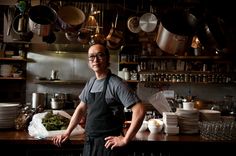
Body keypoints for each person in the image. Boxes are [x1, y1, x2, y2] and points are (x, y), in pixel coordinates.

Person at [52, 43, 145, 156]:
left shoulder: (116, 83)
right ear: (88, 62)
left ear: (107, 58)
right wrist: (67, 132)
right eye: (91, 56)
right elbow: (81, 109)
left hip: (109, 146)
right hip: (90, 144)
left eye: (100, 55)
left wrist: (125, 139)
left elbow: (139, 110)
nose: (95, 59)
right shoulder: (91, 82)